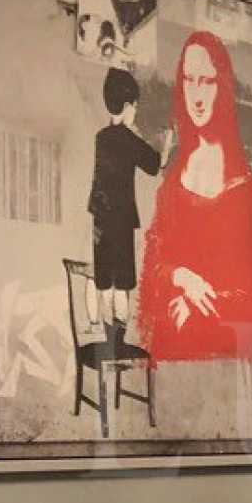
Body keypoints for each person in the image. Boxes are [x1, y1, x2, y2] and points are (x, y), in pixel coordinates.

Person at [137, 31, 252, 363]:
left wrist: (199, 303)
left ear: (223, 87)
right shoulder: (173, 177)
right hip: (171, 346)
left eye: (207, 81)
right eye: (189, 80)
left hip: (225, 355)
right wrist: (182, 278)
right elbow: (153, 260)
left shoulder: (247, 190)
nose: (197, 95)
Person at [85, 66, 159, 331]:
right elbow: (154, 164)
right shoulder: (128, 139)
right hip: (121, 218)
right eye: (135, 107)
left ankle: (105, 331)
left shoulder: (101, 137)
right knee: (123, 282)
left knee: (105, 278)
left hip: (101, 217)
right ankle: (119, 334)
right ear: (128, 106)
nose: (135, 112)